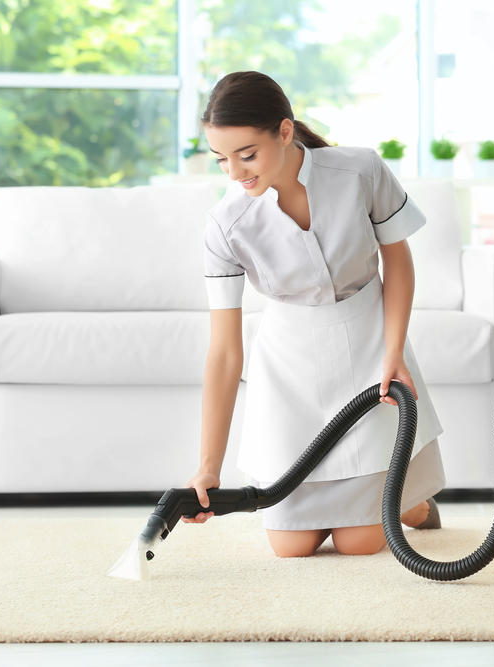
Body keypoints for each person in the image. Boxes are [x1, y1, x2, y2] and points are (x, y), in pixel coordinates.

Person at [183, 70, 446, 558]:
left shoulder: (360, 171)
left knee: (358, 544)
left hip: (369, 345)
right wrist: (207, 466)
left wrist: (393, 352)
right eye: (221, 159)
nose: (235, 172)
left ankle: (410, 503)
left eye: (247, 155)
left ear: (284, 131)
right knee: (292, 547)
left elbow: (398, 262)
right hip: (291, 369)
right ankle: (394, 499)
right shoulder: (225, 224)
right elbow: (223, 352)